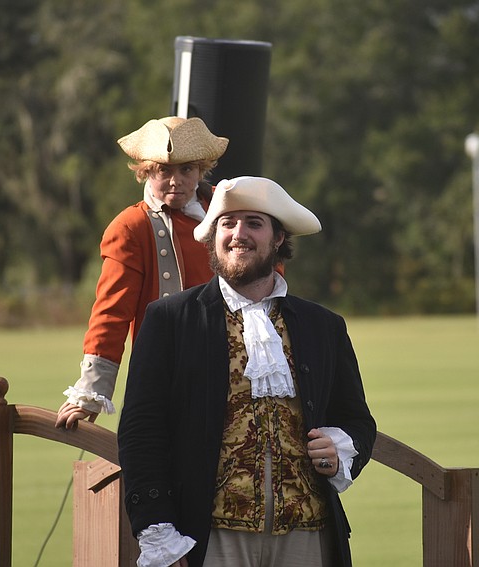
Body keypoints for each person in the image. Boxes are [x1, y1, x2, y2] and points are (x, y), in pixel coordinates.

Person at [117, 176, 377, 567]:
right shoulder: (170, 320)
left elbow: (356, 420)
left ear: (278, 238)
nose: (239, 234)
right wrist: (158, 533)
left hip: (308, 536)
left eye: (254, 223)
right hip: (208, 538)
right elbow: (141, 432)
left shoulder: (323, 326)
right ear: (214, 236)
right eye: (228, 223)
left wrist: (339, 449)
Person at [55, 116, 229, 429]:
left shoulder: (232, 210)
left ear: (201, 169)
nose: (175, 180)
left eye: (186, 169)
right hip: (165, 379)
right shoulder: (130, 228)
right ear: (146, 171)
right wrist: (92, 391)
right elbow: (111, 313)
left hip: (234, 373)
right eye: (164, 170)